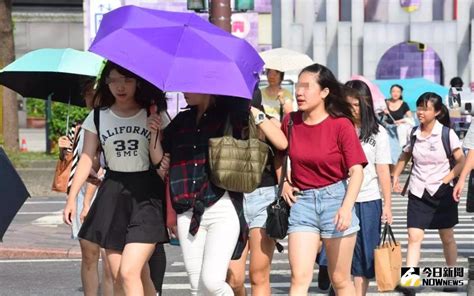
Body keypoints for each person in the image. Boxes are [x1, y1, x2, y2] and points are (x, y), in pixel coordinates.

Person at [63, 61, 169, 296]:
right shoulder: (98, 117)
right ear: (107, 83)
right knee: (123, 272)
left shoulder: (153, 114)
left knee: (129, 272)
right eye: (114, 80)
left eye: (127, 80)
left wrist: (156, 132)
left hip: (146, 195)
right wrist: (71, 198)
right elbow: (86, 158)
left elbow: (161, 159)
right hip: (112, 192)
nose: (120, 87)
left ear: (138, 83)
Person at [280, 63, 367, 296]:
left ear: (325, 92)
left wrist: (347, 208)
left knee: (340, 280)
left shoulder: (341, 125)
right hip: (302, 203)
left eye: (307, 87)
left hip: (336, 201)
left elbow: (357, 170)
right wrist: (284, 182)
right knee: (299, 278)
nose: (299, 92)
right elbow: (277, 155)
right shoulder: (290, 121)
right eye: (298, 86)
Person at [153, 92, 250, 295]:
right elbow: (162, 158)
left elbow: (248, 136)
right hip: (187, 210)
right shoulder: (182, 120)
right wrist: (154, 133)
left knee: (212, 281)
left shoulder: (230, 116)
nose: (184, 92)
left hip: (221, 206)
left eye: (190, 86)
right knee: (197, 288)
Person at [392, 92, 465, 294]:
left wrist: (447, 179)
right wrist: (395, 175)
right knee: (413, 236)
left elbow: (461, 161)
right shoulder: (413, 132)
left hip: (442, 191)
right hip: (418, 189)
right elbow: (405, 155)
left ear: (437, 112)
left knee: (447, 236)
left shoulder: (446, 134)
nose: (420, 112)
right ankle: (410, 282)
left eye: (425, 108)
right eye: (419, 107)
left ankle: (452, 278)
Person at [226, 87, 288, 296]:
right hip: (233, 199)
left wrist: (256, 113)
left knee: (258, 275)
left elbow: (282, 143)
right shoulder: (226, 122)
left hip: (264, 198)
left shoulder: (267, 122)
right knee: (233, 278)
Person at [57, 78, 114, 296]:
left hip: (105, 191)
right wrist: (64, 150)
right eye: (86, 93)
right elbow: (74, 164)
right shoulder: (81, 126)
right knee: (88, 253)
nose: (89, 97)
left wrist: (87, 201)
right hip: (83, 191)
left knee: (110, 258)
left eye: (93, 92)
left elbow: (96, 163)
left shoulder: (109, 119)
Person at [344, 80, 393, 295]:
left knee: (364, 258)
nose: (352, 109)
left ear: (366, 104)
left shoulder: (378, 133)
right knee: (339, 255)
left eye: (356, 104)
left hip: (368, 200)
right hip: (340, 199)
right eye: (348, 104)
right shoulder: (338, 127)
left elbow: (383, 171)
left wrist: (388, 206)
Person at [380, 84, 414, 168]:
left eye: (398, 91)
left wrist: (401, 121)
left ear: (401, 93)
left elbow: (411, 119)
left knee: (395, 152)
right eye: (393, 91)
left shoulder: (404, 104)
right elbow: (377, 116)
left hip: (398, 132)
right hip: (386, 129)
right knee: (385, 151)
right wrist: (383, 112)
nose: (395, 93)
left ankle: (394, 172)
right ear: (390, 92)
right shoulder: (385, 102)